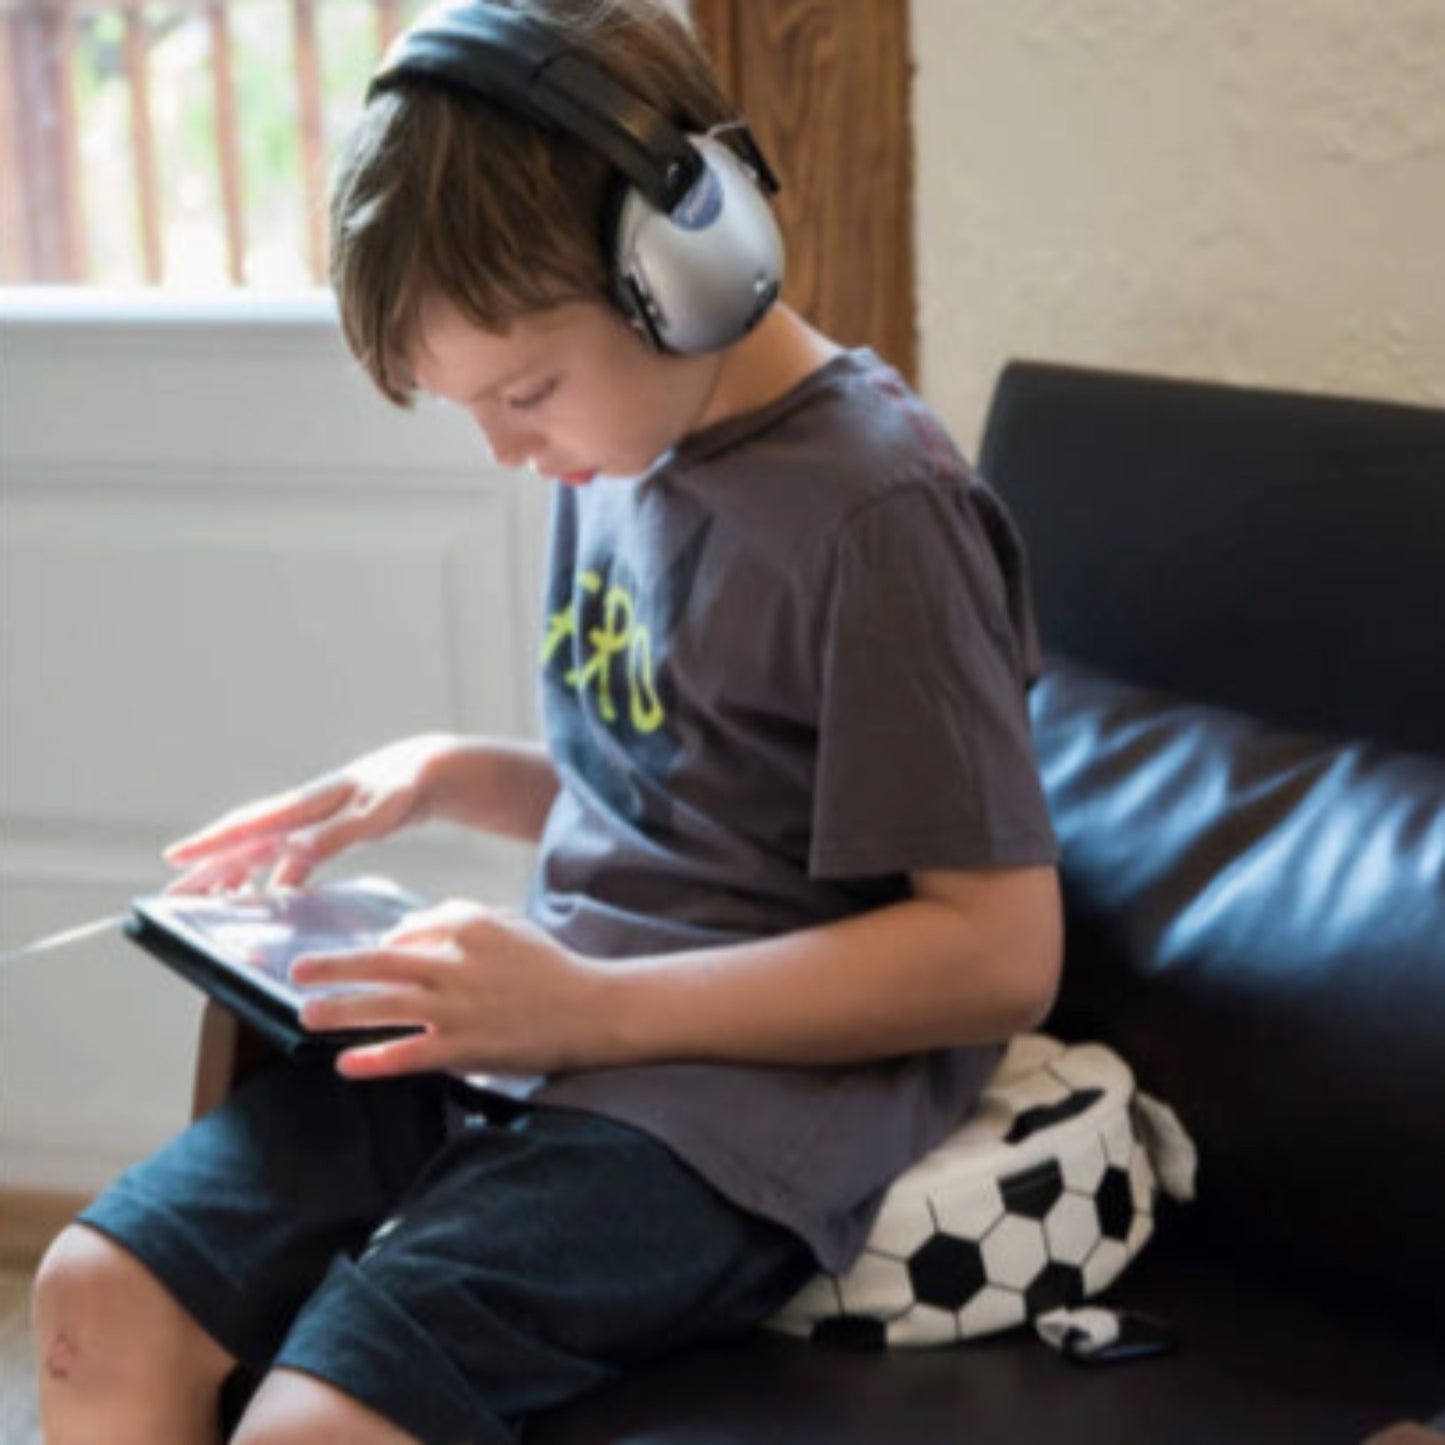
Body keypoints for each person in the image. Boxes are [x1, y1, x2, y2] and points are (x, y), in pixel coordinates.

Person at [32, 1, 1063, 1441]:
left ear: (685, 262)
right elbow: (692, 796)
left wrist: (594, 1007)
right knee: (94, 1291)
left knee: (311, 1424)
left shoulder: (877, 515)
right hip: (560, 1029)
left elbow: (999, 947)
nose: (511, 450)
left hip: (731, 1106)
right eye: (468, 408)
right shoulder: (625, 443)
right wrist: (444, 776)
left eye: (521, 392)